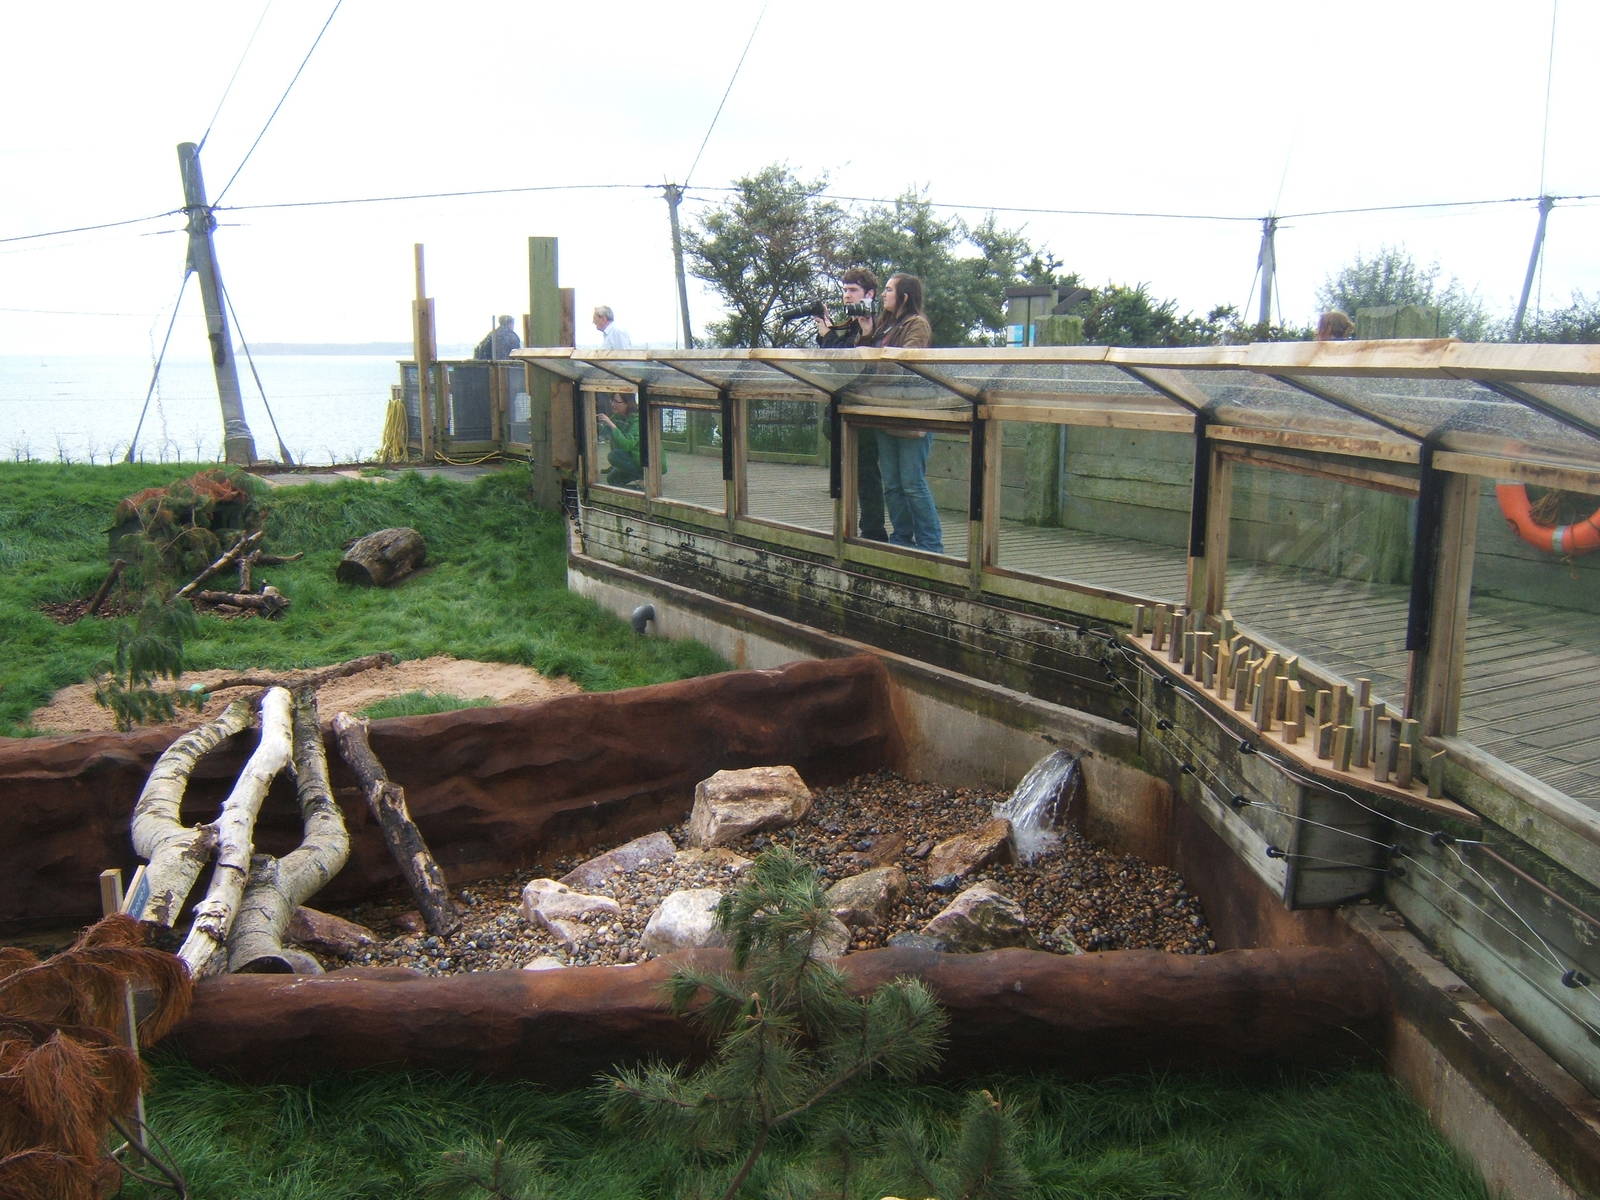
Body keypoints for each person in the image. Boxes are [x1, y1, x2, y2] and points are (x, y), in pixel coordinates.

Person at [867, 273, 942, 554]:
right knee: (892, 484)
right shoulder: (885, 325)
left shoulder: (916, 325)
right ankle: (901, 538)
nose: (884, 294)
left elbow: (906, 362)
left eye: (889, 290)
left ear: (905, 296)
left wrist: (876, 367)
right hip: (884, 410)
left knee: (912, 483)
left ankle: (930, 544)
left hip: (911, 411)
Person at [814, 267, 886, 541]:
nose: (846, 296)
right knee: (850, 472)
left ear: (870, 294)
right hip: (841, 407)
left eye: (852, 290)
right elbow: (836, 359)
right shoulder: (851, 323)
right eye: (844, 290)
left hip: (863, 407)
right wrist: (826, 332)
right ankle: (852, 527)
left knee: (867, 472)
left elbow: (850, 361)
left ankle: (872, 530)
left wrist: (828, 336)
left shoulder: (874, 324)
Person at [596, 393, 642, 486]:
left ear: (627, 403)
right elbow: (604, 433)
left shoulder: (637, 420)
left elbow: (626, 445)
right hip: (629, 457)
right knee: (612, 480)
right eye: (612, 401)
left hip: (643, 461)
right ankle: (637, 483)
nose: (612, 404)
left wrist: (611, 424)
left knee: (614, 455)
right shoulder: (618, 416)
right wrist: (596, 423)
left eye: (616, 401)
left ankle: (643, 476)